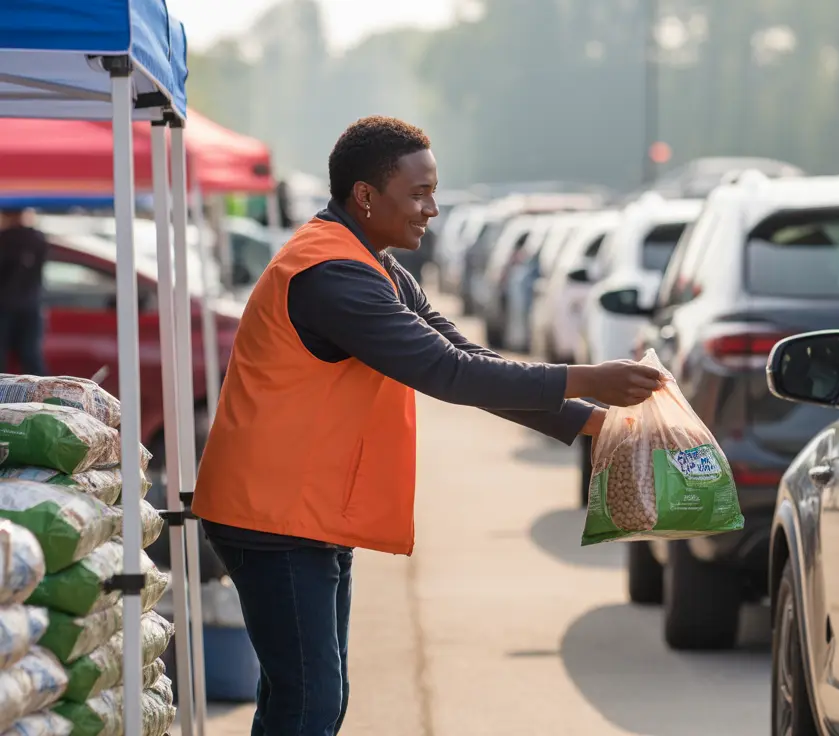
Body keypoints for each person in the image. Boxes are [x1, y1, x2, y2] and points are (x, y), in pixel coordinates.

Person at [191, 116, 662, 736]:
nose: (432, 210)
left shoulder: (372, 265)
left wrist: (596, 423)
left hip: (302, 510)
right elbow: (447, 373)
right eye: (418, 194)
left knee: (310, 697)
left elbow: (473, 363)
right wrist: (585, 377)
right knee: (309, 701)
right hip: (273, 514)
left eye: (433, 193)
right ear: (365, 196)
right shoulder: (331, 275)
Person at [0, 208, 48, 375]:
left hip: (5, 306)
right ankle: (41, 397)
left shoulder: (5, 239)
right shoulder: (37, 239)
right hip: (30, 305)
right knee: (31, 358)